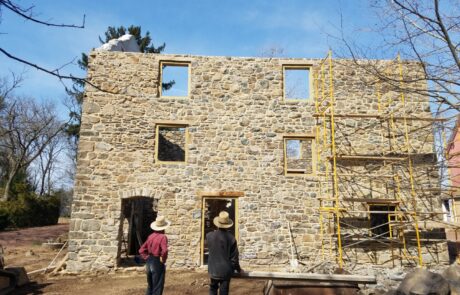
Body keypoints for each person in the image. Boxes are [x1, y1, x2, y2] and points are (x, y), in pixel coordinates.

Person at [206, 211, 242, 295]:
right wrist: (239, 269)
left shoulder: (209, 236)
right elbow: (234, 258)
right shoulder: (231, 238)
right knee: (224, 292)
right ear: (227, 224)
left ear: (217, 223)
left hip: (213, 269)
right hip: (226, 271)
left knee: (213, 289)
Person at [139, 215, 171, 295]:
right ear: (164, 227)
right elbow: (164, 251)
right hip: (157, 261)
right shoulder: (163, 237)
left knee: (150, 285)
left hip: (149, 260)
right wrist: (163, 259)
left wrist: (147, 258)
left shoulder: (150, 236)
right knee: (158, 285)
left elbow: (141, 250)